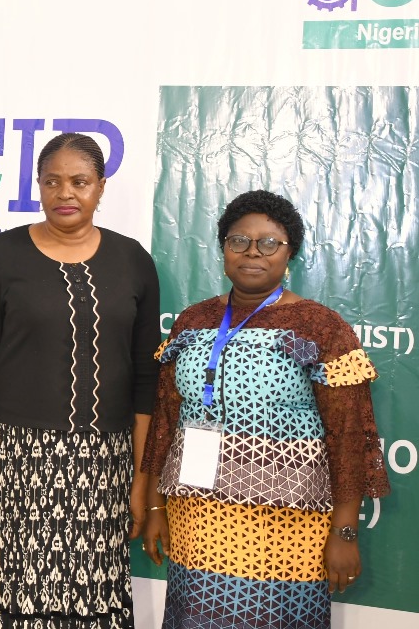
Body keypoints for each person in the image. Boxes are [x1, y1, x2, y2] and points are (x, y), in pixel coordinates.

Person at [141, 190, 391, 629]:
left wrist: (345, 531)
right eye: (239, 241)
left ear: (289, 251)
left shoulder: (320, 326)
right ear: (223, 249)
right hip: (197, 523)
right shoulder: (192, 322)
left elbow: (348, 434)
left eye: (269, 242)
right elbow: (166, 420)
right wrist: (156, 509)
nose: (253, 252)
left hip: (287, 531)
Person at [0, 133, 160, 629]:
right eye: (52, 181)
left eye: (80, 182)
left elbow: (146, 385)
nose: (65, 193)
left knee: (94, 599)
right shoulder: (2, 255)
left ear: (101, 187)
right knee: (9, 597)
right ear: (38, 186)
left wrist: (139, 481)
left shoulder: (133, 261)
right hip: (14, 464)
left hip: (103, 467)